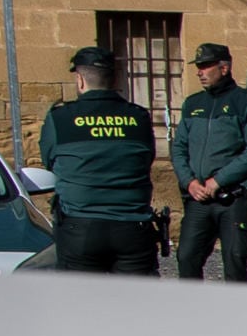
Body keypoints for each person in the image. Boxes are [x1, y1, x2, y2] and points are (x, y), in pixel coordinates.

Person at [39, 45, 160, 274]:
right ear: (114, 79)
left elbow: (50, 162)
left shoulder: (61, 117)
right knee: (138, 306)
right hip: (133, 226)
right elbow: (147, 159)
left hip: (81, 226)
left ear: (80, 80)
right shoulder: (138, 116)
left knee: (82, 304)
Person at [170, 41, 247, 282]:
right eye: (198, 67)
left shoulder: (246, 102)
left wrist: (220, 180)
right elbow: (179, 147)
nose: (199, 72)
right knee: (187, 256)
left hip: (233, 197)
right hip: (199, 198)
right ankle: (194, 312)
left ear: (224, 68)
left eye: (205, 66)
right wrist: (189, 181)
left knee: (234, 259)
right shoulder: (192, 105)